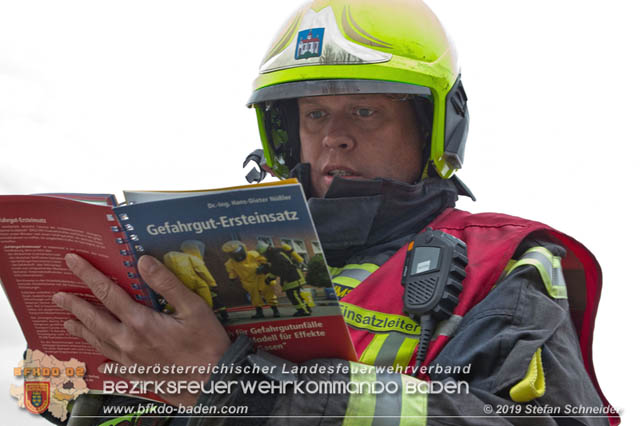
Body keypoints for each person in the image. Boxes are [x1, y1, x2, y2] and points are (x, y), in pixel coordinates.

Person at [51, 0, 618, 425]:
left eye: (366, 110)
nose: (334, 138)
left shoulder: (501, 265)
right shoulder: (203, 258)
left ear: (433, 129)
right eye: (315, 114)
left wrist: (242, 386)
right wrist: (100, 382)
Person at [162, 240, 229, 323]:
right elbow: (203, 271)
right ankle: (210, 315)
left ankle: (166, 311)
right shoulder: (192, 258)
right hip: (196, 282)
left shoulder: (173, 257)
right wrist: (212, 284)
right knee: (208, 298)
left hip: (179, 283)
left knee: (177, 298)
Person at [222, 240, 280, 319]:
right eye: (234, 253)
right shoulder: (230, 263)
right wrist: (232, 278)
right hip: (248, 282)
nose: (238, 255)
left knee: (268, 293)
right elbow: (232, 272)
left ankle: (275, 310)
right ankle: (259, 313)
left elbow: (265, 261)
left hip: (261, 278)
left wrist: (263, 267)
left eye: (238, 251)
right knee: (254, 297)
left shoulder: (253, 254)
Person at [255, 241, 310, 317]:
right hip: (292, 276)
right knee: (296, 295)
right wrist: (267, 269)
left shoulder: (276, 256)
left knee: (293, 295)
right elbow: (276, 267)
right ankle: (306, 308)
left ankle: (304, 311)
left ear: (268, 250)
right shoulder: (276, 254)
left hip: (292, 277)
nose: (265, 256)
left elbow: (280, 268)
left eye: (264, 254)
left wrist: (270, 277)